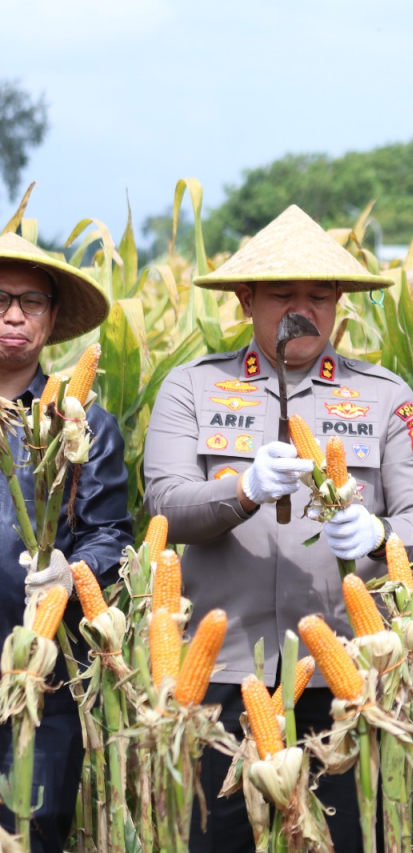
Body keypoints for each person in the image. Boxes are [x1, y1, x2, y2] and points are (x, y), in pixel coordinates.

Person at [143, 205, 413, 850]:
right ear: (245, 299)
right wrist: (244, 490)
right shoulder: (192, 388)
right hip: (221, 677)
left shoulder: (385, 396)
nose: (302, 310)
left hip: (347, 677)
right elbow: (165, 505)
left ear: (339, 302)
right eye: (283, 294)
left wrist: (379, 535)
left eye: (319, 295)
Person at [0, 229, 133, 851]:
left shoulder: (85, 425)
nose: (13, 316)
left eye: (31, 301)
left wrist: (69, 574)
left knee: (31, 829)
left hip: (43, 675)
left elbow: (110, 533)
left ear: (52, 318)